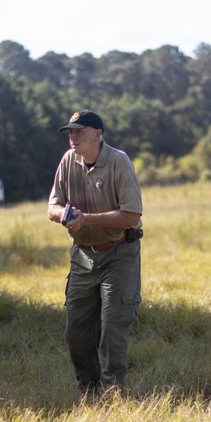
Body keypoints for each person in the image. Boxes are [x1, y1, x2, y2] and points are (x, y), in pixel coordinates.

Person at [47, 110, 143, 397]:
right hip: (82, 257)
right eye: (70, 132)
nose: (72, 136)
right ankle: (89, 391)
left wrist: (86, 219)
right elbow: (52, 207)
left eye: (79, 131)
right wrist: (64, 216)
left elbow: (132, 215)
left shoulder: (119, 161)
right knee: (75, 332)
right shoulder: (68, 160)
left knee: (113, 328)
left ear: (98, 134)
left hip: (119, 254)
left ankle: (113, 394)